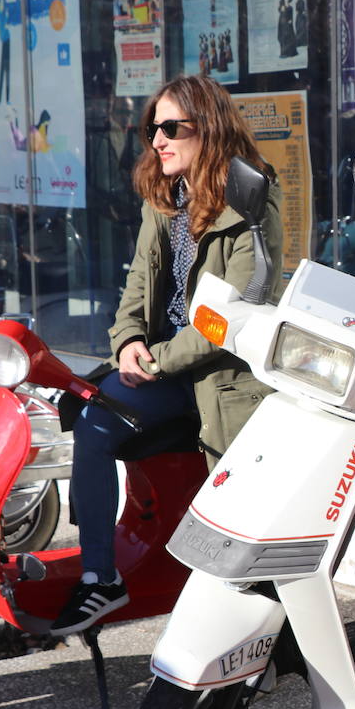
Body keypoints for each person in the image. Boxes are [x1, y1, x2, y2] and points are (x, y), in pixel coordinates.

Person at [50, 74, 282, 636]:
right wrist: (127, 341)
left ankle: (265, 638)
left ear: (210, 128)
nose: (157, 139)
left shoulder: (252, 195)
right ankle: (101, 578)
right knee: (90, 417)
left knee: (243, 530)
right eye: (153, 127)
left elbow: (238, 314)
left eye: (171, 127)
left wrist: (153, 360)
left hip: (222, 375)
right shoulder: (165, 196)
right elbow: (137, 282)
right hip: (163, 366)